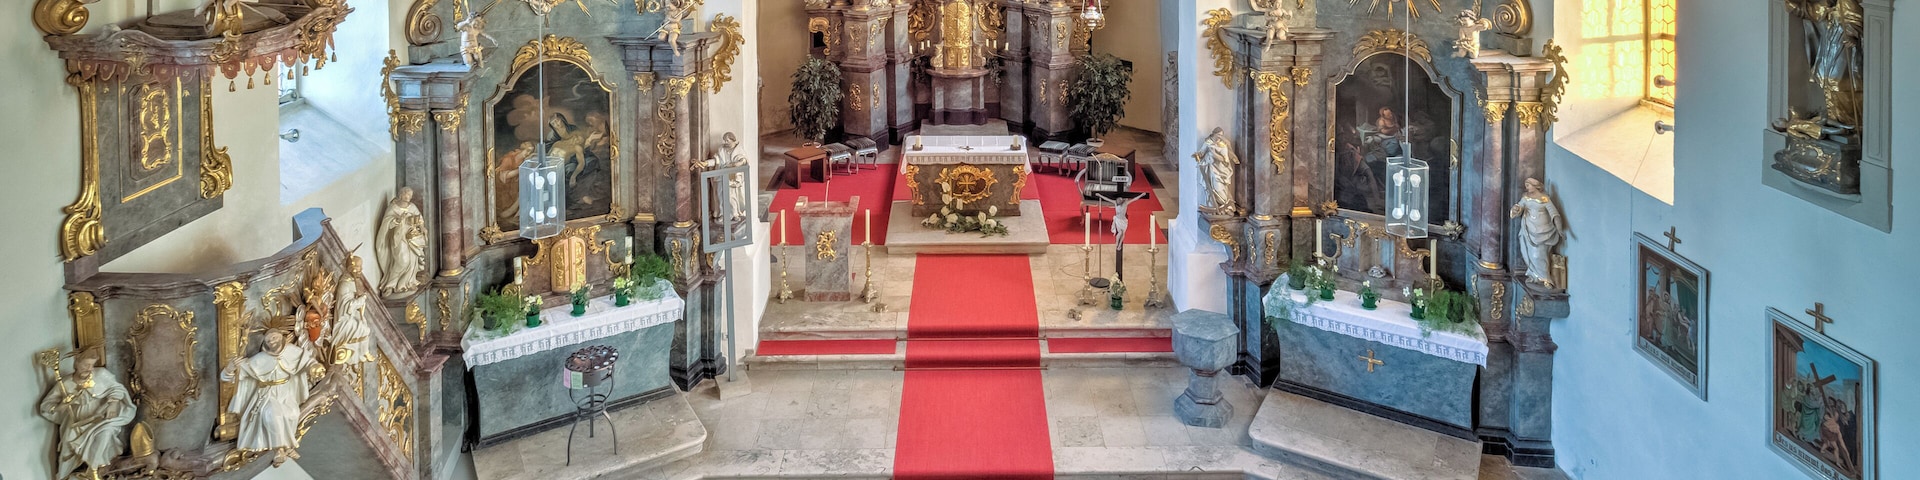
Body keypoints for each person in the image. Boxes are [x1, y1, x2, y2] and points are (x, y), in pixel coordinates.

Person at [224, 317, 318, 466]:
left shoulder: (292, 351)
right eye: (268, 341)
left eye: (274, 338)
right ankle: (279, 449)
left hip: (286, 392)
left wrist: (315, 367)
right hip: (267, 394)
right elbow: (236, 376)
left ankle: (287, 446)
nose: (272, 342)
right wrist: (229, 370)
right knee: (272, 415)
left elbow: (307, 361)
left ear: (281, 337)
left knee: (292, 413)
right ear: (265, 345)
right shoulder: (259, 359)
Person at [38, 346, 137, 479]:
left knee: (106, 433)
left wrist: (113, 404)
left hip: (100, 418)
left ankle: (93, 469)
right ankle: (67, 476)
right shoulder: (65, 383)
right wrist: (62, 405)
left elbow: (117, 388)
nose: (89, 368)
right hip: (76, 422)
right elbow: (46, 406)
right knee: (68, 447)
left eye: (92, 365)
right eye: (86, 365)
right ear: (76, 363)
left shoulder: (101, 374)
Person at [1509, 178, 1564, 286]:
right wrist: (1516, 209)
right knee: (1529, 253)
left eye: (1528, 185)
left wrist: (1560, 228)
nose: (1527, 188)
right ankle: (1534, 275)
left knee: (1538, 255)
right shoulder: (1526, 198)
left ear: (1535, 186)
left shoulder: (1545, 199)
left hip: (1543, 230)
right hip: (1529, 230)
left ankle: (1546, 279)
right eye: (1526, 185)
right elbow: (1519, 207)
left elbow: (1554, 214)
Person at [377, 187, 429, 297]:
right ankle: (389, 285)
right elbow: (387, 223)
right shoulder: (393, 208)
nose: (408, 197)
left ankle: (407, 283)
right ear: (401, 195)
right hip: (398, 237)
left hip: (411, 236)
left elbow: (419, 219)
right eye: (406, 195)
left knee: (411, 261)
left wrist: (422, 227)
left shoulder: (412, 207)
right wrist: (397, 220)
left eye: (410, 195)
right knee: (402, 261)